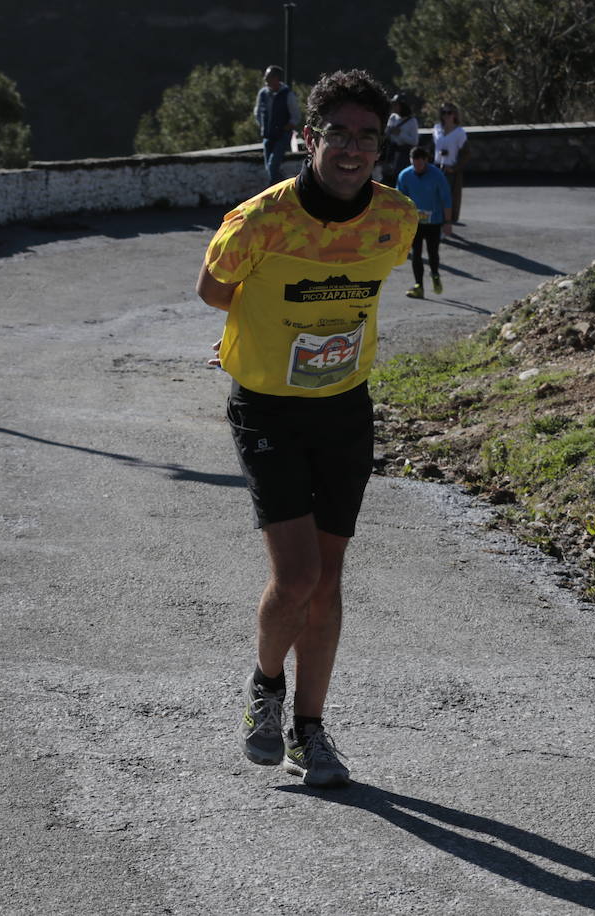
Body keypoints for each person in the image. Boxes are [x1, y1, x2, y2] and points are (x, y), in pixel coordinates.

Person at [197, 69, 418, 789]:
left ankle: (309, 731)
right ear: (307, 137)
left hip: (344, 407)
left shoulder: (395, 218)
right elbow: (214, 291)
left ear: (381, 146)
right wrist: (260, 334)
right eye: (338, 134)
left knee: (327, 582)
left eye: (367, 137)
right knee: (297, 576)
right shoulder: (259, 221)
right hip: (268, 407)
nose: (352, 149)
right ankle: (266, 686)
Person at [396, 146, 453, 299]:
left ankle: (435, 274)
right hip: (415, 222)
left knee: (433, 252)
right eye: (414, 164)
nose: (417, 168)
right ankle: (419, 286)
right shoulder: (404, 175)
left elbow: (446, 199)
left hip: (434, 222)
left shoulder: (437, 175)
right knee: (416, 254)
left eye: (420, 164)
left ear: (426, 160)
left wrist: (448, 222)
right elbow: (400, 200)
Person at [253, 65, 301, 187]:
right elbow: (258, 112)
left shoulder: (287, 94)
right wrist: (263, 126)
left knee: (272, 166)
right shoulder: (263, 93)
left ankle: (276, 191)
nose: (265, 79)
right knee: (269, 168)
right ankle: (283, 187)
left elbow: (296, 116)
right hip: (268, 136)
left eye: (268, 76)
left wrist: (285, 128)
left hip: (282, 136)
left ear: (276, 78)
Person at [433, 102, 469, 223]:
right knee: (435, 195)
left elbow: (466, 154)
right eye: (444, 113)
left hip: (450, 169)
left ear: (454, 114)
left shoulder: (459, 132)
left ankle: (447, 222)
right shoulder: (437, 129)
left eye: (449, 112)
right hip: (436, 167)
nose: (446, 115)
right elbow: (433, 147)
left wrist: (454, 168)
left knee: (448, 197)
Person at [382, 93, 419, 183]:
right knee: (388, 177)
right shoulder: (392, 118)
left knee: (401, 177)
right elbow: (386, 135)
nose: (394, 106)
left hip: (404, 154)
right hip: (391, 153)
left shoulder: (412, 121)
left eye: (396, 104)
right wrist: (388, 131)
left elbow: (415, 141)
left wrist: (400, 134)